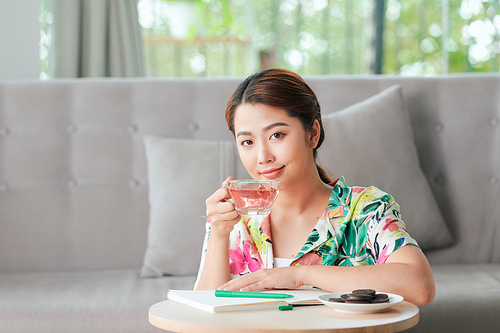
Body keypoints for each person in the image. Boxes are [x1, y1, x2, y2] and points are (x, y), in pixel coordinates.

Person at [194, 68, 435, 306]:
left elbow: (420, 286)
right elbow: (202, 314)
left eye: (277, 135)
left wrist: (300, 275)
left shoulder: (364, 209)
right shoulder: (235, 218)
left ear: (313, 133)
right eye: (247, 141)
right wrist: (218, 234)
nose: (262, 156)